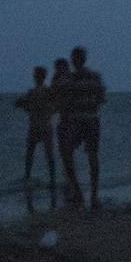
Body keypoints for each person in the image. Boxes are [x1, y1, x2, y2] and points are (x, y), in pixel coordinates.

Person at [60, 47, 106, 209]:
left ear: (74, 60)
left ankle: (79, 192)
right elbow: (101, 98)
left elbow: (66, 102)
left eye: (74, 58)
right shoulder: (95, 77)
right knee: (92, 156)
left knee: (67, 154)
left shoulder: (70, 79)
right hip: (92, 119)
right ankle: (93, 196)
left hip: (77, 120)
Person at [15, 66, 57, 210]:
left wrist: (25, 105)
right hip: (46, 125)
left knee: (30, 154)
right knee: (49, 154)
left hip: (35, 126)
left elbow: (21, 104)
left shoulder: (32, 92)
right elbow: (55, 106)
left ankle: (27, 178)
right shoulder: (48, 91)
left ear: (36, 77)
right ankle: (52, 180)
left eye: (35, 75)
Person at [50, 58, 73, 203]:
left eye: (60, 67)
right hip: (64, 119)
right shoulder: (59, 80)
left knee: (66, 149)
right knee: (65, 149)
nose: (58, 70)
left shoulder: (66, 80)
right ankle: (68, 176)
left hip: (70, 119)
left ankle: (69, 178)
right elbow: (54, 100)